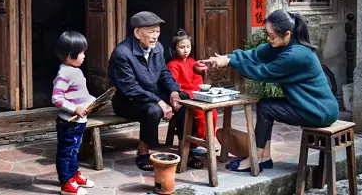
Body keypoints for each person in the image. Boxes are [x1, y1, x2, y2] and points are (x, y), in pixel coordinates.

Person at [203, 9, 339, 173]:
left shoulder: (296, 54)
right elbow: (254, 54)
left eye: (272, 36)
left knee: (267, 108)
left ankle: (255, 158)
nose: (269, 39)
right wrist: (225, 58)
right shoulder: (282, 44)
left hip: (319, 110)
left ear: (287, 34)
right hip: (307, 105)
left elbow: (263, 72)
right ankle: (263, 157)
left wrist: (230, 61)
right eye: (268, 34)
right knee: (266, 105)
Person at [108, 12, 204, 171]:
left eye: (157, 31)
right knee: (153, 110)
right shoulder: (122, 53)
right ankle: (143, 149)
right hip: (128, 101)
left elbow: (164, 74)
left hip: (153, 94)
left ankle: (184, 147)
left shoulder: (157, 48)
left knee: (184, 99)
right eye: (151, 32)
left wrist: (174, 92)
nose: (155, 36)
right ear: (138, 33)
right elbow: (130, 88)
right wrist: (159, 101)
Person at [52, 31, 96, 195]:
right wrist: (74, 109)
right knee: (66, 152)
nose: (84, 55)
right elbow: (56, 98)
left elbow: (80, 95)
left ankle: (74, 174)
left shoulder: (74, 71)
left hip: (79, 121)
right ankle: (66, 183)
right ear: (71, 55)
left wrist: (93, 101)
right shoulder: (65, 73)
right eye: (82, 52)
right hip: (69, 122)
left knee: (74, 150)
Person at [167, 28, 218, 157]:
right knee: (201, 113)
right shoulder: (173, 65)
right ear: (174, 49)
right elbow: (175, 86)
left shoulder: (192, 62)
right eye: (182, 47)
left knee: (213, 112)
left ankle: (208, 139)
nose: (186, 50)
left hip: (196, 94)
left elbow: (198, 82)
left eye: (188, 46)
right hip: (185, 97)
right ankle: (196, 144)